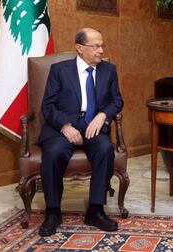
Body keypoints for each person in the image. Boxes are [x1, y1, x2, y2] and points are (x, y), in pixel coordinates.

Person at [38, 28, 124, 236]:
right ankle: (53, 211)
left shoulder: (108, 70)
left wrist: (103, 115)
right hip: (63, 129)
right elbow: (47, 106)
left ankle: (95, 210)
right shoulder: (59, 70)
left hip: (93, 128)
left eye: (102, 45)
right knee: (53, 153)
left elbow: (117, 101)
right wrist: (65, 126)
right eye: (96, 46)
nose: (101, 50)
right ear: (79, 48)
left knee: (105, 149)